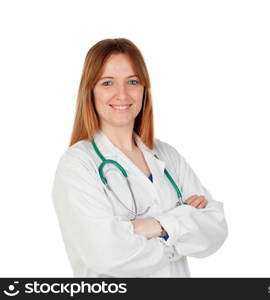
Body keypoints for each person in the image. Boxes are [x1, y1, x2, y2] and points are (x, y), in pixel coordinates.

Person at [51, 38, 228, 277]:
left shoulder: (167, 155)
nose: (122, 94)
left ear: (144, 88)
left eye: (132, 81)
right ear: (89, 91)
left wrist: (153, 227)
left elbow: (216, 227)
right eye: (107, 83)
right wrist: (179, 228)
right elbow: (106, 254)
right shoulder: (78, 165)